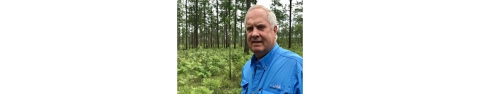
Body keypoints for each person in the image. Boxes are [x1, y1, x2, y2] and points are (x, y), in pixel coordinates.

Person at [240, 4, 303, 94]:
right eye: (250, 28)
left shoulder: (297, 67)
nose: (254, 34)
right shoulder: (247, 68)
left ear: (274, 30)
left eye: (260, 27)